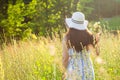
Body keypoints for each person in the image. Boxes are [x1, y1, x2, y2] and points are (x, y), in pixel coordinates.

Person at [62, 12, 100, 80]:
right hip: (88, 70)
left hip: (73, 71)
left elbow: (65, 59)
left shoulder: (67, 38)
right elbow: (97, 54)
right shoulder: (90, 36)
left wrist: (64, 72)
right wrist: (97, 43)